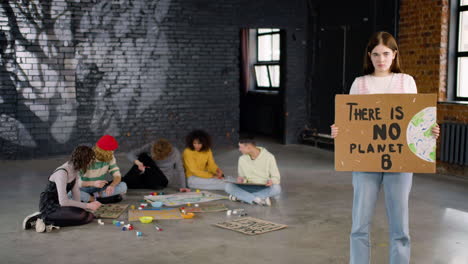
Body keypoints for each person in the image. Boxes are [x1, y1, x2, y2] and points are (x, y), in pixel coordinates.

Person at [331, 31, 440, 264]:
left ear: (394, 55)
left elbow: (416, 120)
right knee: (359, 224)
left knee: (400, 226)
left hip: (399, 162)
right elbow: (348, 123)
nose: (381, 59)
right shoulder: (359, 84)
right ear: (369, 56)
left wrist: (430, 130)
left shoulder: (406, 81)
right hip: (364, 162)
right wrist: (338, 131)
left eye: (386, 54)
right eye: (376, 54)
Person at [23, 146, 102, 233]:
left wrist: (82, 208)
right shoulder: (62, 173)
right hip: (49, 206)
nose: (90, 164)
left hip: (60, 205)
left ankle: (48, 219)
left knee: (87, 215)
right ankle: (41, 217)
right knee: (83, 217)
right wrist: (88, 205)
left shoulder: (75, 170)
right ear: (83, 160)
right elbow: (63, 202)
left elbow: (76, 194)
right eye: (89, 161)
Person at [224, 139, 281, 206]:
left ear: (249, 147)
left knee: (277, 188)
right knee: (228, 186)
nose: (239, 149)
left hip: (264, 186)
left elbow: (276, 177)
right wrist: (241, 179)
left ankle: (241, 197)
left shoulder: (269, 157)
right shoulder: (242, 159)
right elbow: (242, 176)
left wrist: (271, 181)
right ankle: (258, 199)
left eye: (241, 147)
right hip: (248, 186)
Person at [124, 138, 188, 191]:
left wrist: (183, 186)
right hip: (149, 173)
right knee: (143, 156)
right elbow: (130, 154)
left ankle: (124, 181)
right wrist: (137, 162)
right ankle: (121, 182)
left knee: (131, 182)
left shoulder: (175, 153)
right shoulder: (150, 146)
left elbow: (180, 170)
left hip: (162, 179)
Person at [79, 135, 128, 203]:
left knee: (123, 186)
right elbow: (76, 182)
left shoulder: (110, 157)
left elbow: (117, 175)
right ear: (104, 151)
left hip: (99, 189)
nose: (112, 152)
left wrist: (112, 185)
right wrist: (93, 183)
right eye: (110, 150)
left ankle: (92, 197)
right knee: (73, 193)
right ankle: (95, 198)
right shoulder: (86, 157)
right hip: (84, 188)